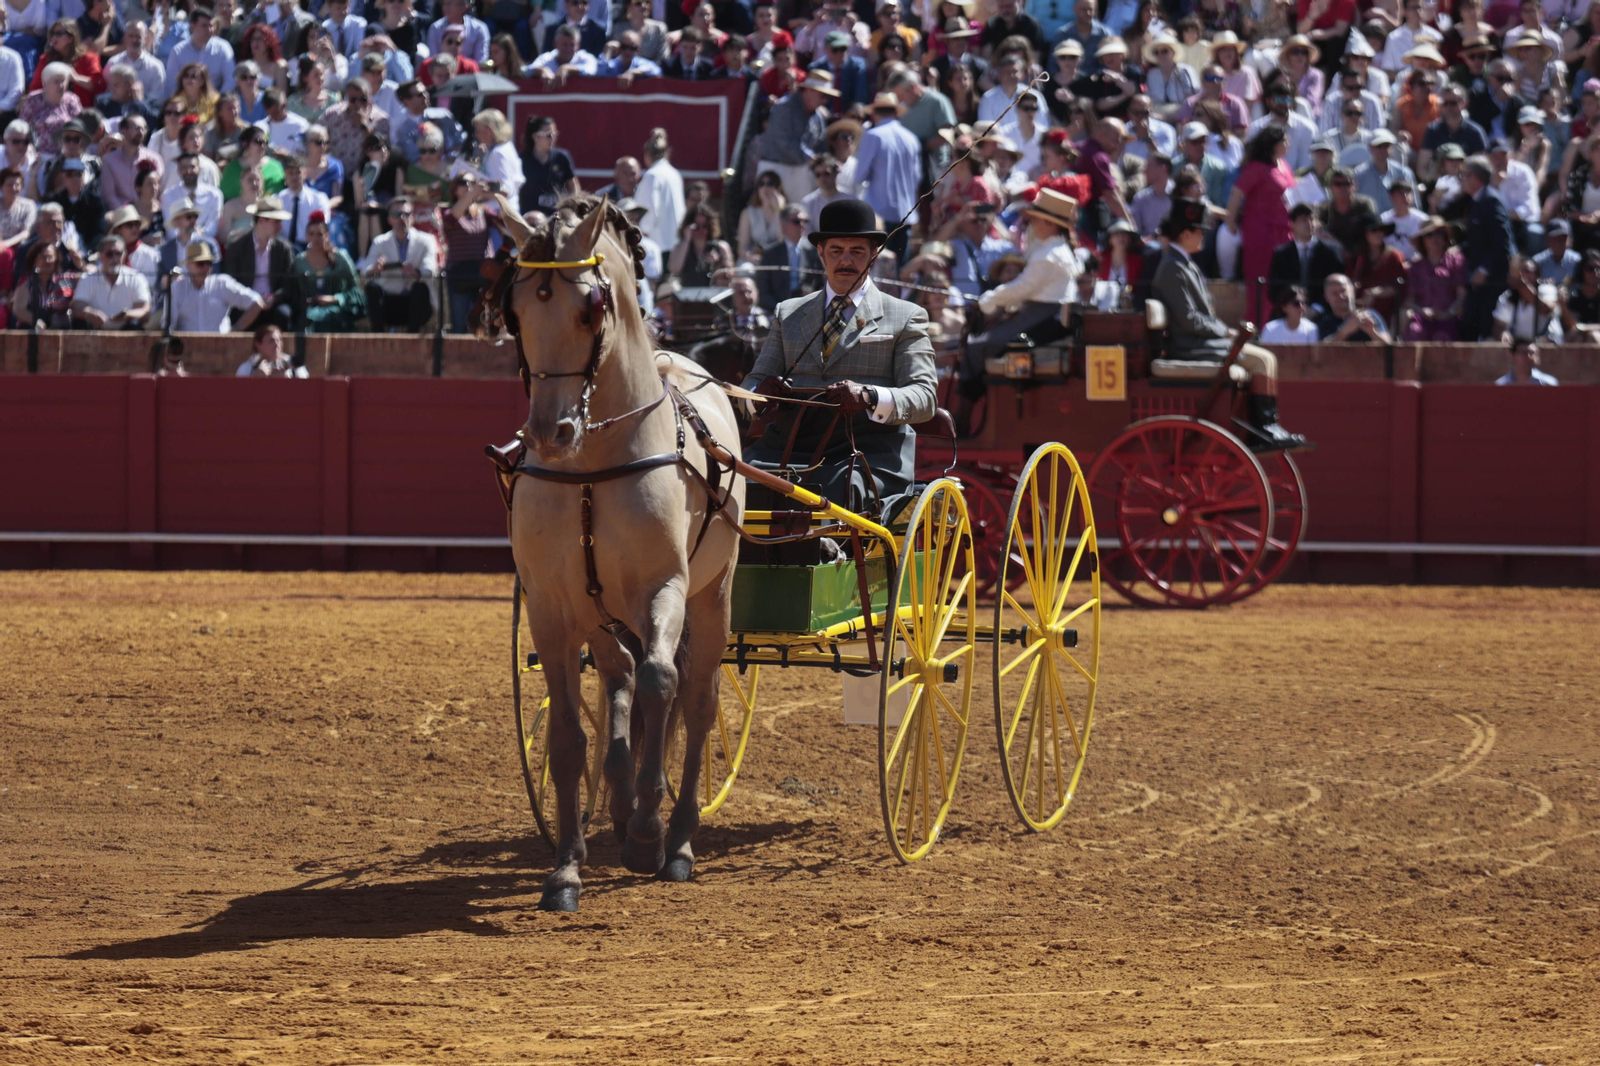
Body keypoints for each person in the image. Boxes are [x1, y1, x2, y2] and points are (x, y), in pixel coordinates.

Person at [741, 197, 936, 508]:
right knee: (734, 481)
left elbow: (924, 397)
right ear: (820, 252)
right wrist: (758, 396)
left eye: (857, 251)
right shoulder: (788, 314)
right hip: (786, 448)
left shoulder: (906, 316)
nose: (846, 261)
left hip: (868, 451)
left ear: (874, 254)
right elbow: (749, 388)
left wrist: (869, 396)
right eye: (836, 251)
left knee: (839, 488)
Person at [1152, 198, 1311, 450]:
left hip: (1198, 341)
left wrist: (1225, 332)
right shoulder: (1173, 267)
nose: (1204, 236)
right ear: (1185, 234)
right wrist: (1225, 331)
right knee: (1261, 360)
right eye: (1200, 231)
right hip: (1188, 346)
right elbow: (1189, 319)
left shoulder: (1182, 264)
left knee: (1267, 359)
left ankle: (1267, 426)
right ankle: (1264, 429)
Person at [961, 188, 1080, 412]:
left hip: (1044, 316)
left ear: (1050, 224)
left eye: (1036, 219)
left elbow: (1022, 288)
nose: (1031, 223)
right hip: (1044, 314)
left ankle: (966, 412)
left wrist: (987, 300)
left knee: (977, 347)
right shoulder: (1054, 250)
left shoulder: (1049, 255)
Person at [1226, 125, 1295, 323]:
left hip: (1284, 233)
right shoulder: (1256, 168)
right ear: (1273, 144)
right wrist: (1231, 222)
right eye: (1284, 140)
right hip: (1261, 234)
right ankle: (1257, 325)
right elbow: (1237, 193)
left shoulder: (1285, 166)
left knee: (1281, 282)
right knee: (1261, 282)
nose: (1288, 144)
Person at [853, 91, 919, 264]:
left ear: (874, 114)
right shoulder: (911, 138)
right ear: (896, 113)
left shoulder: (873, 136)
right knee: (899, 267)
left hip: (879, 215)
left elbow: (859, 176)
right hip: (905, 212)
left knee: (878, 269)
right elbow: (917, 177)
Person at [1460, 153, 1516, 340]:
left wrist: (1484, 270)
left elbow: (1502, 243)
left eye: (1464, 175)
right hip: (1478, 279)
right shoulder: (1477, 201)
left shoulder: (1491, 201)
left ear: (1475, 177)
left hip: (1492, 280)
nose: (1461, 179)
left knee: (1487, 329)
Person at [360, 196, 436, 331]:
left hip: (415, 304)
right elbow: (365, 271)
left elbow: (430, 269)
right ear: (389, 219)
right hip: (389, 302)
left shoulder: (426, 240)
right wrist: (375, 269)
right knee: (372, 288)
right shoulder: (380, 242)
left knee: (420, 288)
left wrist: (416, 273)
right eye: (396, 214)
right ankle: (377, 337)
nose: (402, 218)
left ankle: (412, 338)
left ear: (412, 217)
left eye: (406, 214)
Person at [222, 194, 295, 330]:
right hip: (245, 302)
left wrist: (273, 298)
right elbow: (231, 281)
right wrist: (252, 299)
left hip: (272, 303)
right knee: (238, 316)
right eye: (276, 222)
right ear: (261, 220)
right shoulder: (237, 247)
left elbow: (288, 284)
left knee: (283, 315)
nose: (280, 226)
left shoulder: (283, 249)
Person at [169, 238, 266, 331]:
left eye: (209, 263)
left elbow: (256, 302)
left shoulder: (222, 283)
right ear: (188, 266)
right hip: (187, 342)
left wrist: (236, 330)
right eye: (201, 263)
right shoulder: (177, 288)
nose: (206, 267)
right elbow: (169, 324)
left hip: (219, 342)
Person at [1401, 215, 1467, 340]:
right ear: (1422, 240)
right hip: (1422, 318)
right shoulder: (1415, 266)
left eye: (1440, 233)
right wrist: (1422, 311)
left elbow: (1461, 295)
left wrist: (1448, 313)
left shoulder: (1456, 261)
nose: (1435, 238)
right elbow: (1409, 300)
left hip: (1449, 318)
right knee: (1415, 331)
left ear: (1446, 237)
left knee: (1442, 337)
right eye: (1429, 235)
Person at [68, 233, 151, 328]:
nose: (115, 258)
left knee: (135, 326)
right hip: (95, 331)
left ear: (124, 255)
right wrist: (90, 313)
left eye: (118, 254)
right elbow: (77, 307)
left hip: (126, 330)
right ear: (100, 256)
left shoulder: (136, 278)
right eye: (109, 254)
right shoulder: (88, 278)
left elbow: (145, 310)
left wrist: (128, 315)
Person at [1346, 217, 1407, 323]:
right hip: (1359, 313)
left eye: (1381, 230)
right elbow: (1348, 284)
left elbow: (1400, 287)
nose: (1379, 233)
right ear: (1365, 234)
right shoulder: (1355, 258)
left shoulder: (1394, 256)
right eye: (1374, 230)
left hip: (1389, 312)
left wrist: (1375, 292)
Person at [1492, 253, 1563, 342]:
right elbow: (1498, 326)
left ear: (1537, 275)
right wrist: (1502, 333)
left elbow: (1545, 309)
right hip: (1520, 344)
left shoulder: (1547, 289)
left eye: (1527, 271)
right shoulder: (1507, 296)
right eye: (1520, 271)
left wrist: (1521, 285)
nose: (1522, 275)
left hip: (1549, 342)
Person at [9, 239, 72, 327]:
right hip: (33, 329)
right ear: (34, 260)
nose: (47, 261)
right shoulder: (27, 282)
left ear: (56, 260)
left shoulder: (64, 280)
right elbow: (18, 309)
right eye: (42, 257)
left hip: (59, 328)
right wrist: (36, 322)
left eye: (50, 257)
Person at [1315, 272, 1391, 341]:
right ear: (1326, 298)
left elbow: (1389, 346)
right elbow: (1323, 348)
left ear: (1352, 291)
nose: (1341, 296)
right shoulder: (1324, 322)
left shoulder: (1371, 315)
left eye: (1343, 290)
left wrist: (1372, 331)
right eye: (1335, 293)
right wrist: (1344, 331)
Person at [236, 322, 307, 376]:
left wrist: (285, 382)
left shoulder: (294, 367)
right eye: (271, 341)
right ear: (258, 345)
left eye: (279, 340)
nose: (277, 344)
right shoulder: (247, 368)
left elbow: (305, 389)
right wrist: (256, 379)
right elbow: (239, 390)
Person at [1495, 339, 1560, 383]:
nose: (1528, 357)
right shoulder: (1501, 385)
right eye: (1523, 352)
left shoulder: (1547, 384)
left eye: (1532, 353)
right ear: (1512, 355)